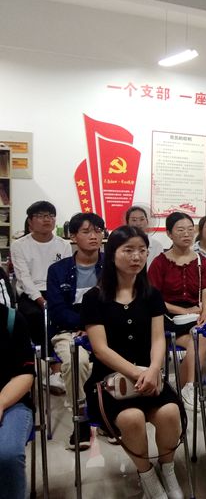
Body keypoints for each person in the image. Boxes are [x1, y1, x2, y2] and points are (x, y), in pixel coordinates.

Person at [81, 226, 185, 499]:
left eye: (142, 250)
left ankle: (168, 470)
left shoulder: (151, 294)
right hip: (109, 381)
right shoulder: (93, 298)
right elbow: (101, 349)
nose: (136, 256)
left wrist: (153, 370)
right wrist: (137, 373)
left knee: (170, 413)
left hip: (150, 375)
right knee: (131, 418)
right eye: (128, 250)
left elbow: (159, 339)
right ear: (111, 253)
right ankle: (146, 474)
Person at [46, 212, 104, 451]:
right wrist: (84, 325)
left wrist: (93, 327)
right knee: (75, 361)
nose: (94, 236)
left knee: (116, 356)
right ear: (73, 236)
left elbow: (116, 302)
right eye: (86, 231)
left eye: (98, 231)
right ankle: (81, 418)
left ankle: (106, 413)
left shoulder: (111, 266)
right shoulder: (57, 270)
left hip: (104, 328)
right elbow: (57, 310)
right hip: (68, 330)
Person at [148, 212, 206, 412]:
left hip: (193, 318)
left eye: (190, 229)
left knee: (199, 336)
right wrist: (182, 310)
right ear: (169, 233)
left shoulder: (201, 261)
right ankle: (185, 388)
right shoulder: (159, 263)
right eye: (180, 230)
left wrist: (205, 313)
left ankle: (188, 387)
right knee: (197, 340)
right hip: (165, 317)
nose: (187, 234)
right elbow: (154, 299)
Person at [10, 200, 72, 394]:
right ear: (30, 222)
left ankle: (58, 369)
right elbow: (24, 278)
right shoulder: (19, 245)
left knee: (62, 315)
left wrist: (55, 299)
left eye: (50, 216)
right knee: (37, 316)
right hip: (31, 294)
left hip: (56, 291)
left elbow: (65, 274)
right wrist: (41, 300)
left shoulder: (63, 244)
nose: (47, 220)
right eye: (41, 216)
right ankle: (49, 367)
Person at [0, 304, 35, 499]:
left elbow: (25, 375)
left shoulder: (11, 320)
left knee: (7, 455)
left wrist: (1, 403)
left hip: (12, 402)